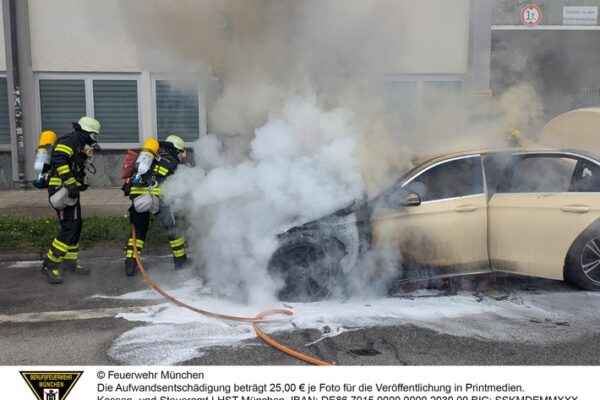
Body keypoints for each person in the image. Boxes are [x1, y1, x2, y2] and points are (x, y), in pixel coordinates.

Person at [41, 116, 101, 284]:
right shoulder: (70, 140)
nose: (94, 138)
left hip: (70, 190)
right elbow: (59, 159)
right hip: (61, 189)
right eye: (93, 135)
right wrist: (69, 182)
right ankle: (50, 265)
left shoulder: (79, 143)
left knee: (76, 226)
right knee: (69, 227)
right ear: (85, 132)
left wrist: (85, 155)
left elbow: (74, 164)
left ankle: (70, 264)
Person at [124, 135, 188, 276]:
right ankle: (181, 263)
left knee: (139, 230)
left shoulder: (149, 157)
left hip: (138, 198)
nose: (181, 156)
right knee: (173, 229)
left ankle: (130, 264)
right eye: (180, 152)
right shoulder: (173, 162)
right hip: (160, 199)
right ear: (176, 150)